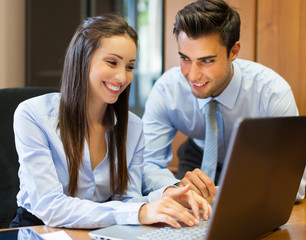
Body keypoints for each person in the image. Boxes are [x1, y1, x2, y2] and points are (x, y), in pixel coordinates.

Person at [10, 14, 210, 229]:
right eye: (112, 62)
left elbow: (127, 202)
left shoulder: (133, 127)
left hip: (99, 227)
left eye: (130, 66)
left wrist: (166, 196)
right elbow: (49, 206)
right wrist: (141, 211)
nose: (122, 77)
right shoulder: (33, 115)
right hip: (37, 227)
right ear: (82, 59)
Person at [142, 0, 306, 204]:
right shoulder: (167, 90)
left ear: (234, 51)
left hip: (253, 165)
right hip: (197, 158)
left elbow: (294, 186)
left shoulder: (272, 93)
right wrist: (174, 188)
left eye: (207, 60)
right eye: (185, 58)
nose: (192, 75)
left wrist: (219, 195)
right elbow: (146, 163)